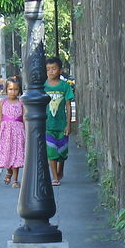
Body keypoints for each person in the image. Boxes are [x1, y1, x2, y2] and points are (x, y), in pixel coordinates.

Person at [43, 57, 76, 186]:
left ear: (60, 70)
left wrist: (69, 124)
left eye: (54, 69)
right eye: (48, 69)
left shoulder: (65, 86)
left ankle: (60, 169)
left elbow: (68, 105)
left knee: (62, 152)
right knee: (51, 152)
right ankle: (54, 177)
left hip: (61, 125)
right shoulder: (43, 86)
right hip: (47, 126)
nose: (51, 72)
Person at [0, 78, 25, 186]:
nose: (13, 92)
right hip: (6, 132)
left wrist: (26, 131)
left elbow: (24, 117)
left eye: (16, 89)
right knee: (7, 153)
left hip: (18, 132)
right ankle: (9, 171)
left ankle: (15, 180)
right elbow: (0, 117)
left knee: (16, 154)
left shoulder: (21, 102)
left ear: (19, 90)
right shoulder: (3, 102)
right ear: (6, 90)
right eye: (10, 89)